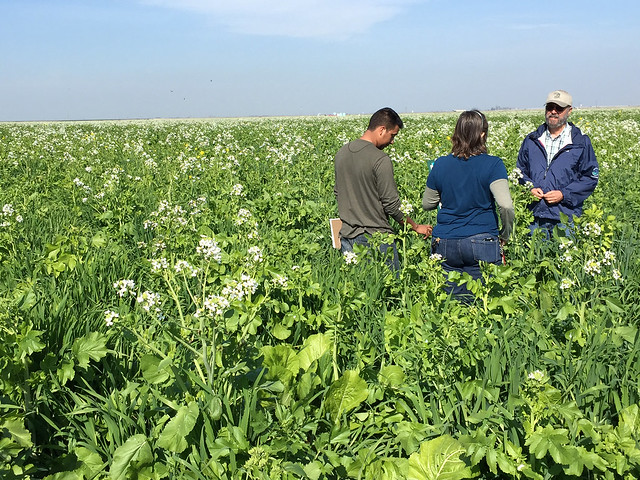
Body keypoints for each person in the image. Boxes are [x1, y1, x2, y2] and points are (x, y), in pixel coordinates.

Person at [423, 110, 514, 300]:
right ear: (482, 134)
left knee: (452, 305)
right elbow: (505, 205)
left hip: (446, 241)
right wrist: (505, 234)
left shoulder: (440, 164)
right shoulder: (493, 164)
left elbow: (427, 204)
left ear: (456, 133)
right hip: (482, 240)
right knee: (485, 301)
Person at [334, 107, 432, 271]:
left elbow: (338, 192)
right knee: (384, 292)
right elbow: (391, 205)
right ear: (381, 130)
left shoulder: (341, 153)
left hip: (347, 237)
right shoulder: (380, 159)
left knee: (358, 291)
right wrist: (415, 227)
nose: (392, 141)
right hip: (376, 239)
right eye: (392, 135)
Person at [516, 90, 599, 236]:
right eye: (550, 107)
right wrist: (530, 188)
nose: (553, 112)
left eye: (559, 108)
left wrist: (563, 194)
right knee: (533, 257)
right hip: (533, 216)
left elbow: (590, 177)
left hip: (565, 217)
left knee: (565, 257)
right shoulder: (531, 140)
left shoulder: (580, 142)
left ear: (569, 111)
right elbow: (520, 171)